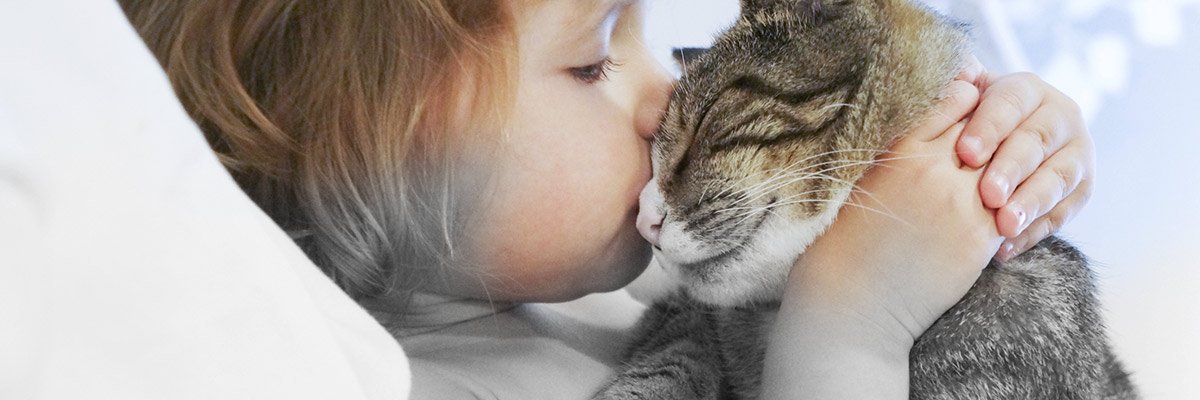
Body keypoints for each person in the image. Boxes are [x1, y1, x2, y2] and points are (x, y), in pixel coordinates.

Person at [116, 0, 1095, 398]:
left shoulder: (572, 291)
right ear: (373, 145)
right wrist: (851, 332)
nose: (667, 95)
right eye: (591, 63)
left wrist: (984, 146)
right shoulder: (415, 385)